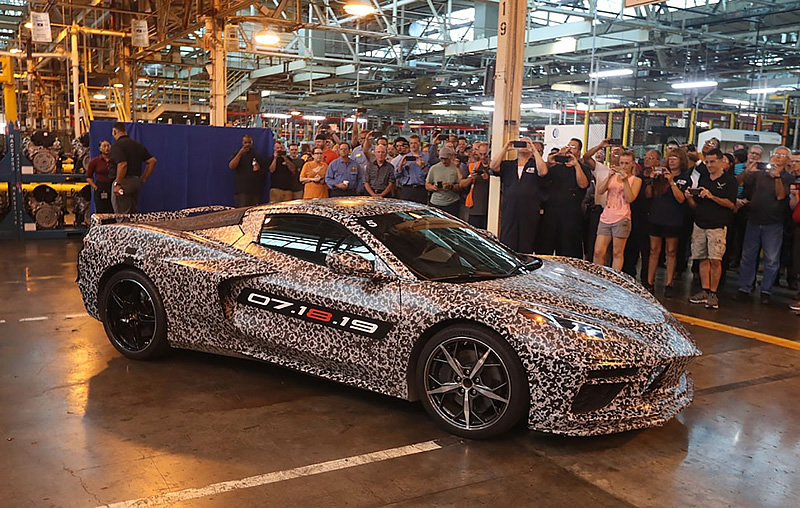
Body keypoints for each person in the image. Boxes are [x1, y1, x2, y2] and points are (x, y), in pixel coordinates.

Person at [735, 146, 795, 304]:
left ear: (787, 160)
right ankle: (745, 287)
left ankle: (766, 290)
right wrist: (748, 170)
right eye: (776, 154)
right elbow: (739, 182)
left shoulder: (788, 178)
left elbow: (781, 196)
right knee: (748, 256)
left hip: (773, 223)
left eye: (782, 155)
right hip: (754, 220)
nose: (777, 157)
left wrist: (777, 177)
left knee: (771, 259)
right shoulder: (759, 174)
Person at [685, 148, 737, 309]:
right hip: (700, 223)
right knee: (702, 257)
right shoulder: (704, 178)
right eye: (707, 162)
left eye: (713, 161)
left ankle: (714, 293)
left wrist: (712, 196)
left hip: (717, 225)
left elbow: (731, 204)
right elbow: (696, 205)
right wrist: (690, 198)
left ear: (721, 161)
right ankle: (705, 289)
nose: (709, 165)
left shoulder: (729, 181)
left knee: (715, 259)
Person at [489, 138, 548, 253]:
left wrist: (534, 150)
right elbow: (493, 166)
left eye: (526, 143)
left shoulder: (535, 164)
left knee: (527, 241)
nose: (523, 145)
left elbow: (543, 172)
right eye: (521, 142)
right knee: (507, 241)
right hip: (510, 208)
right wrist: (505, 148)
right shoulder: (509, 164)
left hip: (529, 209)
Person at [645, 149, 691, 295]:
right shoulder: (660, 176)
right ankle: (649, 282)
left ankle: (669, 283)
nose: (671, 161)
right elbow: (649, 195)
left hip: (674, 218)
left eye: (675, 158)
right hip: (656, 216)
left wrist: (672, 182)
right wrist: (651, 180)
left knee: (671, 251)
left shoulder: (684, 178)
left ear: (681, 160)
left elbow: (681, 199)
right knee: (653, 250)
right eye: (670, 158)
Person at [540, 138, 591, 258]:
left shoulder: (583, 168)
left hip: (571, 216)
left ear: (579, 152)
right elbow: (542, 175)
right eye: (568, 145)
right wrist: (551, 160)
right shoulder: (556, 166)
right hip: (552, 213)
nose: (569, 149)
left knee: (569, 250)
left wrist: (576, 165)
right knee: (546, 248)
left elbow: (583, 184)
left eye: (573, 147)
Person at [593, 149, 642, 271]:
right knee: (598, 251)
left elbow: (630, 198)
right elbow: (600, 190)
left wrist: (625, 180)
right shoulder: (613, 176)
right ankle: (598, 276)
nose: (623, 166)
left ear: (632, 164)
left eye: (626, 163)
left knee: (617, 252)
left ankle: (615, 278)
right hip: (607, 215)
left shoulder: (635, 180)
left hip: (622, 217)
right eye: (621, 163)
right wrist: (609, 176)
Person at [109, 122, 157, 214]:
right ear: (125, 131)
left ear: (115, 132)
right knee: (132, 214)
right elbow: (152, 161)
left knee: (122, 215)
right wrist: (143, 179)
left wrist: (118, 184)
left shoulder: (117, 146)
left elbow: (122, 165)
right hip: (135, 182)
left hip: (123, 183)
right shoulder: (137, 145)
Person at [228, 134, 268, 207]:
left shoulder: (257, 155)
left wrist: (258, 169)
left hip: (255, 189)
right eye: (245, 143)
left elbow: (264, 171)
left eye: (249, 142)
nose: (247, 145)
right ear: (242, 143)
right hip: (242, 190)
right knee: (242, 211)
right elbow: (231, 166)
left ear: (252, 143)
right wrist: (240, 154)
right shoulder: (237, 153)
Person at [425, 146, 464, 216]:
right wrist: (434, 187)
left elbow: (461, 186)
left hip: (451, 203)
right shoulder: (434, 168)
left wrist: (450, 186)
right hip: (435, 202)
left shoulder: (457, 168)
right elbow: (427, 185)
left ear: (450, 157)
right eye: (441, 159)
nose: (443, 161)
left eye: (446, 159)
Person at [461, 142, 490, 229]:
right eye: (481, 154)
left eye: (485, 154)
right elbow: (462, 184)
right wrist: (471, 178)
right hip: (475, 209)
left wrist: (489, 179)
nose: (483, 157)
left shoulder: (495, 167)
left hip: (490, 209)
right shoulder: (473, 166)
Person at [392, 136, 428, 203]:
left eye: (415, 143)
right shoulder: (404, 157)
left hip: (420, 189)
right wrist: (401, 165)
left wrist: (422, 167)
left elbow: (429, 176)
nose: (413, 145)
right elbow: (396, 175)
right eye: (411, 143)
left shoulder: (426, 157)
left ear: (419, 144)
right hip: (407, 189)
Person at [86, 139, 113, 213]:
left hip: (112, 187)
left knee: (112, 210)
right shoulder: (95, 161)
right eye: (104, 146)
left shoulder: (114, 160)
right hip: (100, 187)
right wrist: (95, 187)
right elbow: (88, 177)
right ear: (100, 148)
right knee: (101, 210)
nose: (106, 148)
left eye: (108, 146)